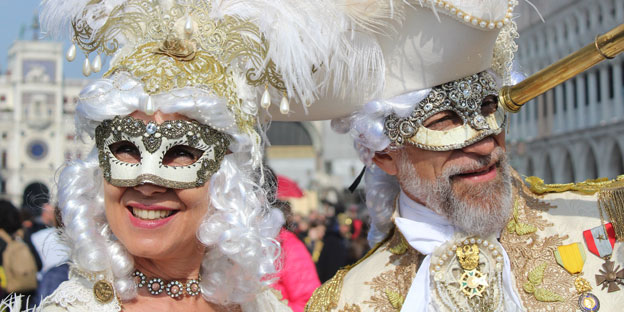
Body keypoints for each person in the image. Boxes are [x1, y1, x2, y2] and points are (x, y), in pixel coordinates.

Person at [25, 0, 369, 311]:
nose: (147, 181)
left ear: (224, 181)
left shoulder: (259, 306)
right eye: (126, 149)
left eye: (181, 153)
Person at [306, 1, 624, 311]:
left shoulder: (608, 221)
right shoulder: (348, 301)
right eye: (442, 121)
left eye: (488, 108)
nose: (484, 145)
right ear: (385, 155)